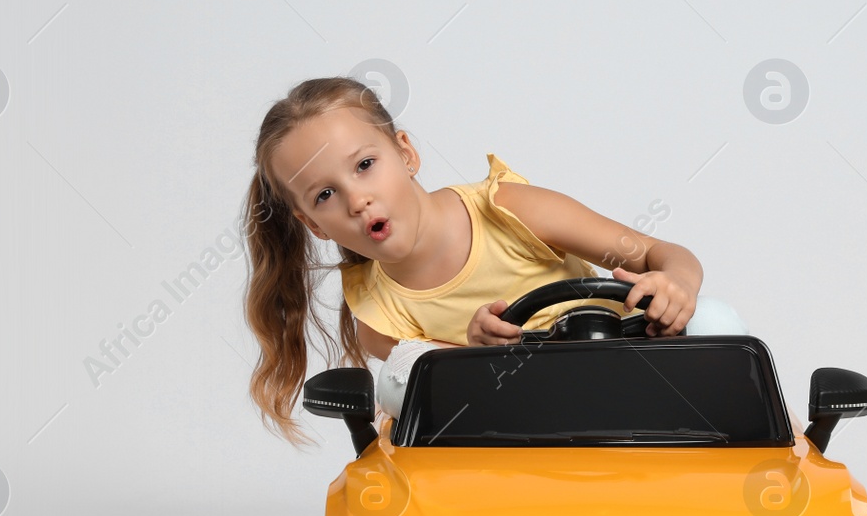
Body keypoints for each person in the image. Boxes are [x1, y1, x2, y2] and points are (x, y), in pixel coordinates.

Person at [241, 77, 748, 444]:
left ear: (407, 154)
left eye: (365, 166)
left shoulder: (509, 210)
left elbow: (662, 254)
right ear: (311, 223)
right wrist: (468, 349)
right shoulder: (379, 312)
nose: (357, 200)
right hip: (515, 425)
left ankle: (779, 448)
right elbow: (447, 397)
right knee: (398, 380)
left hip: (627, 373)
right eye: (325, 194)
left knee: (716, 319)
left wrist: (675, 282)